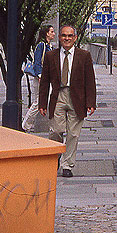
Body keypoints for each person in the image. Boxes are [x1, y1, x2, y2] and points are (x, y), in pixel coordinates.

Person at [39, 24, 96, 177]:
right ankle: (55, 157)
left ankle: (67, 165)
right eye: (64, 35)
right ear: (59, 37)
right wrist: (42, 103)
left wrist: (91, 102)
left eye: (70, 36)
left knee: (73, 134)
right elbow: (44, 81)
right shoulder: (51, 56)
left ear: (75, 38)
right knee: (56, 131)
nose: (67, 38)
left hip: (77, 97)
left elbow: (90, 80)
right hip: (58, 96)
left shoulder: (84, 56)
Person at [22, 25, 55, 132]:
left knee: (46, 100)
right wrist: (40, 75)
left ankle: (52, 125)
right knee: (39, 102)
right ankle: (25, 125)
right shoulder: (41, 45)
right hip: (41, 78)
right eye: (52, 31)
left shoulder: (49, 46)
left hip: (47, 78)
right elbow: (37, 62)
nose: (53, 34)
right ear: (46, 33)